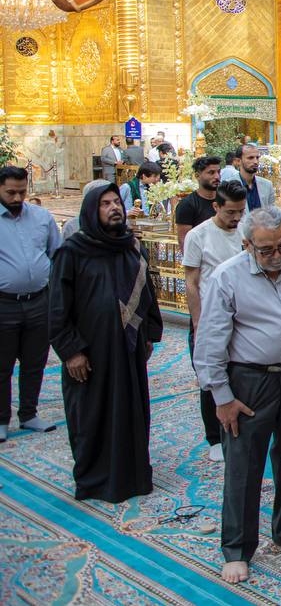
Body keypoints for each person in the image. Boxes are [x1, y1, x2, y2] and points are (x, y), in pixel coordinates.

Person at [193, 206, 281, 583]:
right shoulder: (227, 276)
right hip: (249, 380)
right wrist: (222, 397)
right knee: (244, 463)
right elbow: (210, 344)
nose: (278, 255)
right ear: (247, 245)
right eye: (267, 250)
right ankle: (237, 548)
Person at [49, 183, 163, 503]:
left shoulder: (131, 247)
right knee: (92, 415)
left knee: (131, 411)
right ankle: (96, 480)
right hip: (90, 353)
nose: (114, 208)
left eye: (116, 202)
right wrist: (71, 351)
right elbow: (57, 307)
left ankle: (133, 476)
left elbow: (147, 292)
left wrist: (149, 333)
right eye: (105, 204)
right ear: (91, 210)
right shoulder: (73, 252)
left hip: (128, 348)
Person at [181, 181, 248, 460]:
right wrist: (198, 322)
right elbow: (191, 282)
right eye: (230, 212)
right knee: (210, 376)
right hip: (210, 315)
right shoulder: (198, 236)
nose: (236, 217)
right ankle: (214, 438)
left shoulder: (244, 230)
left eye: (240, 211)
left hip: (241, 314)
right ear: (216, 207)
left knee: (240, 372)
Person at [0, 166, 62, 442]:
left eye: (21, 192)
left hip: (39, 301)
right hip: (4, 303)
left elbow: (57, 254)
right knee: (2, 365)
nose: (16, 198)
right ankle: (1, 419)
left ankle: (29, 413)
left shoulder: (41, 217)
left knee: (35, 361)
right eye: (10, 193)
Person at [175, 155, 222, 249]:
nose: (217, 176)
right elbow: (184, 241)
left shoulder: (225, 200)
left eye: (218, 172)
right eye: (211, 173)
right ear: (197, 176)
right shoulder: (187, 204)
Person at [234, 143, 275, 211]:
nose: (255, 161)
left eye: (257, 158)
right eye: (250, 158)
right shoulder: (229, 185)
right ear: (238, 161)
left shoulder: (267, 185)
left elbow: (271, 213)